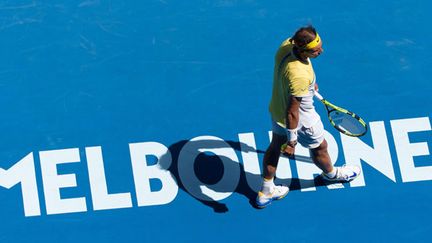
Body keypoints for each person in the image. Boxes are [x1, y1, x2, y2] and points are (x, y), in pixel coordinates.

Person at [256, 25, 361, 208]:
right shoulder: (299, 76)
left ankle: (265, 192)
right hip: (301, 120)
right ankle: (331, 175)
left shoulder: (286, 46)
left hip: (276, 109)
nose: (321, 51)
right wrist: (292, 142)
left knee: (274, 146)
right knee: (321, 147)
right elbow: (292, 112)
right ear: (303, 49)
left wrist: (310, 85)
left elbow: (294, 82)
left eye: (320, 46)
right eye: (315, 50)